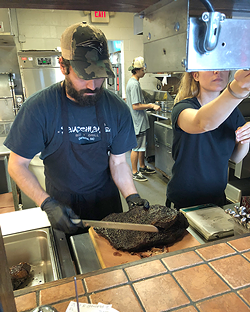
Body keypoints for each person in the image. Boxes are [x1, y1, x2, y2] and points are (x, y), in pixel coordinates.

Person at [4, 22, 149, 235]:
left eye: (99, 75)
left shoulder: (117, 109)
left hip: (107, 206)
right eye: (84, 76)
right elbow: (17, 165)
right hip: (62, 208)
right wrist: (46, 203)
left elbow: (118, 162)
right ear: (63, 66)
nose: (93, 86)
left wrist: (132, 197)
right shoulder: (39, 108)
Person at [166, 69, 250, 210]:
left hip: (216, 199)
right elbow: (203, 123)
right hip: (184, 201)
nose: (217, 71)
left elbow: (235, 158)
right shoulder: (183, 108)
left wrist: (245, 138)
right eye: (210, 68)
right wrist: (238, 90)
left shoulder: (233, 113)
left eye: (223, 68)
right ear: (195, 75)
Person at [126, 56, 160, 182]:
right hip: (137, 121)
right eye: (143, 70)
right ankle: (134, 172)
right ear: (137, 70)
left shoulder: (134, 82)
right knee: (136, 147)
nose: (144, 72)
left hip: (139, 120)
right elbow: (136, 106)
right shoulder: (134, 85)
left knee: (141, 147)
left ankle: (142, 167)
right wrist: (151, 105)